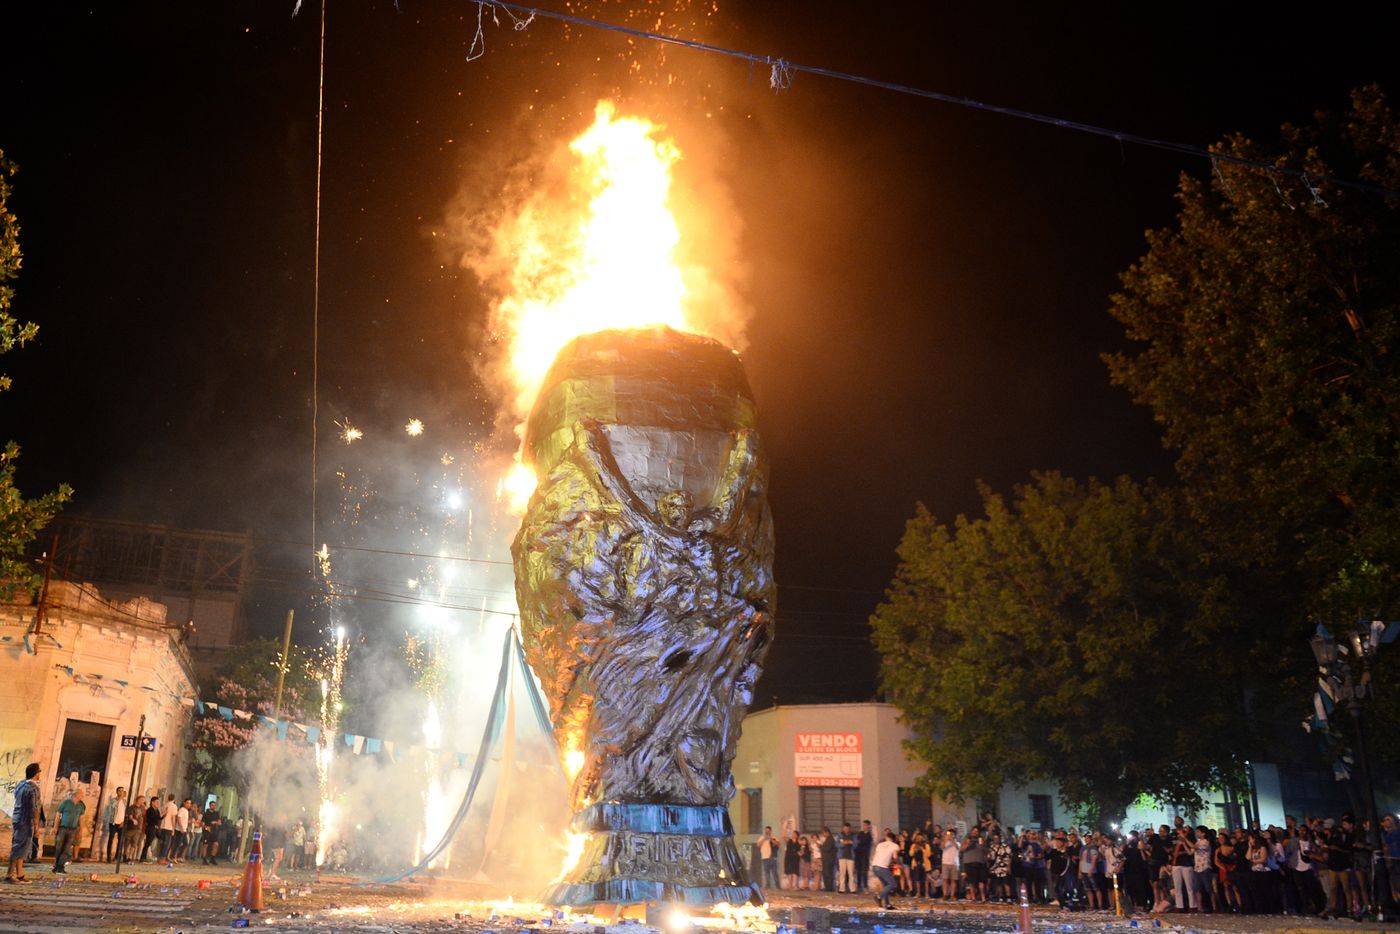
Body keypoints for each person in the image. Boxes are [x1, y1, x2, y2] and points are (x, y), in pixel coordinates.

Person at [5, 761, 41, 884]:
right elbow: (34, 808)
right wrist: (36, 826)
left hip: (17, 818)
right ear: (36, 774)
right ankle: (9, 875)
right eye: (39, 771)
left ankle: (20, 875)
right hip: (26, 821)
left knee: (22, 848)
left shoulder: (20, 784)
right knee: (18, 848)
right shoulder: (33, 788)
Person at [52, 787, 86, 874]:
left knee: (66, 848)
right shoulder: (66, 802)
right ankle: (56, 865)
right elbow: (58, 815)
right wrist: (55, 827)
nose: (82, 795)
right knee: (59, 847)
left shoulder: (81, 805)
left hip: (73, 829)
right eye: (81, 794)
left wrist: (80, 831)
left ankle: (60, 866)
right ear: (76, 794)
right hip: (63, 828)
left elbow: (81, 819)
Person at [871, 830, 901, 909]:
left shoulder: (880, 845)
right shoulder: (895, 845)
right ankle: (879, 897)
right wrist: (899, 863)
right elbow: (895, 857)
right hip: (882, 867)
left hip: (874, 866)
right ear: (894, 839)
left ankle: (887, 905)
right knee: (892, 884)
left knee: (886, 886)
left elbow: (876, 854)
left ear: (887, 837)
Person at [102, 787, 127, 862]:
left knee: (120, 841)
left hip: (121, 823)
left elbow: (125, 813)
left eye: (122, 791)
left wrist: (123, 822)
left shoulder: (125, 802)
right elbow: (112, 806)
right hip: (113, 823)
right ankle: (108, 858)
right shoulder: (113, 800)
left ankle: (117, 857)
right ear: (117, 792)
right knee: (111, 839)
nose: (121, 792)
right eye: (119, 791)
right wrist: (119, 799)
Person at [837, 823, 857, 893]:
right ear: (843, 828)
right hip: (842, 856)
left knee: (851, 873)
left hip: (850, 856)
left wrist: (852, 843)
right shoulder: (840, 835)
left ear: (850, 828)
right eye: (845, 828)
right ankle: (841, 888)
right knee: (842, 873)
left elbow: (856, 845)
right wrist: (843, 843)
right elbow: (837, 844)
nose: (846, 829)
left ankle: (852, 889)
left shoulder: (853, 835)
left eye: (848, 828)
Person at [201, 800, 223, 865]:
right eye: (212, 805)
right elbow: (202, 823)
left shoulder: (216, 814)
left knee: (216, 844)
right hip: (207, 831)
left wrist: (215, 822)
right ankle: (204, 859)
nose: (213, 806)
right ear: (210, 806)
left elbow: (219, 822)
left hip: (214, 831)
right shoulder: (206, 813)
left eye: (214, 805)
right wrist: (206, 827)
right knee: (205, 845)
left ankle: (212, 858)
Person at [854, 819, 873, 892]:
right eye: (863, 825)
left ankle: (865, 886)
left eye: (865, 825)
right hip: (858, 854)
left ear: (868, 826)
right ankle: (859, 886)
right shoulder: (860, 833)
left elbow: (864, 843)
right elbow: (857, 842)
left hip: (865, 855)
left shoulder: (869, 835)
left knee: (864, 871)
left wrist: (860, 842)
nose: (864, 826)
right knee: (858, 870)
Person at [758, 826, 779, 890]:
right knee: (766, 872)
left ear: (770, 831)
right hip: (765, 857)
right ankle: (767, 885)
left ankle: (777, 885)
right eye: (766, 830)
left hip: (772, 857)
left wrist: (770, 839)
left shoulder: (774, 837)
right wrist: (764, 838)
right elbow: (758, 845)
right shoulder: (761, 837)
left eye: (768, 830)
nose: (767, 832)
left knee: (774, 872)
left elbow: (777, 844)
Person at [819, 826, 837, 892]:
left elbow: (827, 849)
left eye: (823, 833)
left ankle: (829, 887)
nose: (823, 835)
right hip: (826, 859)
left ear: (827, 833)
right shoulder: (827, 839)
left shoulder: (830, 839)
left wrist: (821, 847)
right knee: (825, 873)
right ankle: (827, 886)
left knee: (828, 873)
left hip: (829, 859)